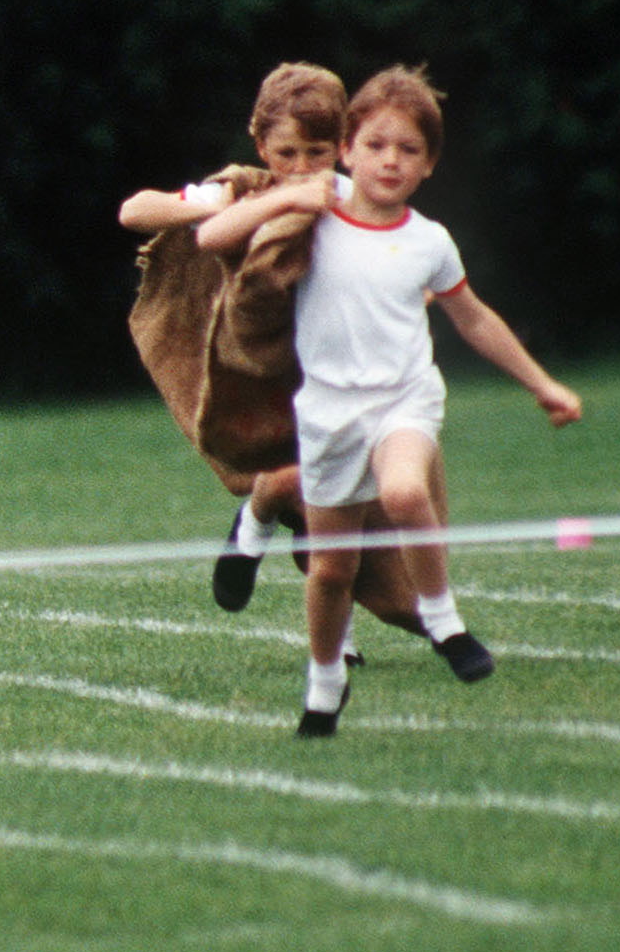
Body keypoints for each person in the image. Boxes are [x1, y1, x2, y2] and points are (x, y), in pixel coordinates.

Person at [197, 66, 582, 736]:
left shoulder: (428, 240)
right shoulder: (316, 213)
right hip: (327, 414)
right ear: (346, 148)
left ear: (429, 164)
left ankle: (443, 620)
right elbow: (211, 235)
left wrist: (541, 384)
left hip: (404, 399)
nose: (390, 160)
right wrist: (293, 196)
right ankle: (324, 685)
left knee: (405, 492)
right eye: (375, 144)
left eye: (408, 150)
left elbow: (472, 317)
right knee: (329, 572)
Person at [119, 62, 343, 615]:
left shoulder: (354, 198)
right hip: (262, 373)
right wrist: (216, 208)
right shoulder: (247, 187)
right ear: (261, 144)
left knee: (337, 523)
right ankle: (254, 529)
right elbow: (134, 210)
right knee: (295, 490)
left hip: (338, 368)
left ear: (343, 145)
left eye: (317, 153)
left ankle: (332, 625)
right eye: (287, 153)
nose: (302, 168)